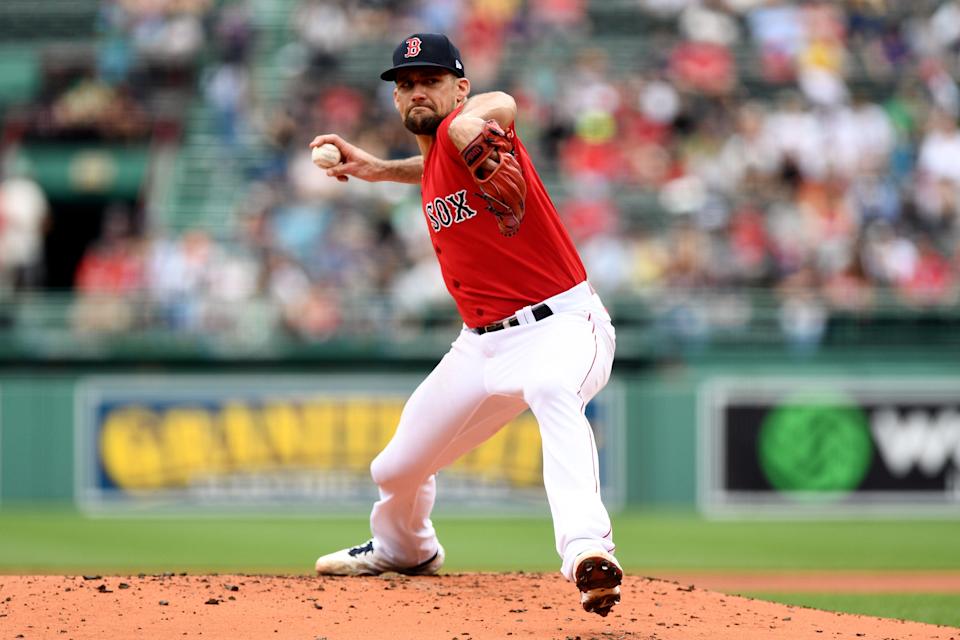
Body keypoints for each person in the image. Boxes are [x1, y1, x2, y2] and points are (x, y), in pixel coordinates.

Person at [310, 33, 622, 617]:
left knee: (553, 392)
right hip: (479, 346)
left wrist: (469, 121)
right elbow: (433, 165)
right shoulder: (437, 155)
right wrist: (377, 169)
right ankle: (407, 549)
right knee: (395, 468)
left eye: (429, 81)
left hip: (561, 325)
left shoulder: (478, 130)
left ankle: (587, 554)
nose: (414, 92)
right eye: (404, 85)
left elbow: (502, 102)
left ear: (460, 87)